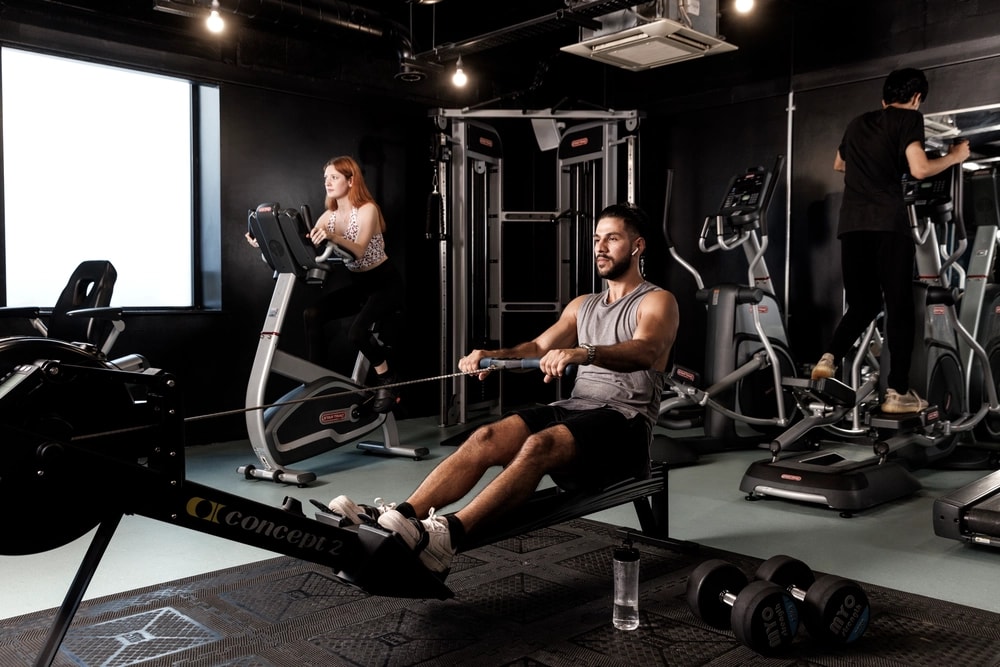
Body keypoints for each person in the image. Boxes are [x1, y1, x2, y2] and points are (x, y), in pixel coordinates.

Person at [328, 203, 679, 573]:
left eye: (612, 238)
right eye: (596, 239)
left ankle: (447, 536)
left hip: (625, 423)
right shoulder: (583, 306)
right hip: (579, 409)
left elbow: (646, 350)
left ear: (638, 245)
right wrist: (492, 357)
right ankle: (400, 519)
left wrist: (583, 352)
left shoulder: (657, 300)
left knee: (538, 443)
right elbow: (538, 347)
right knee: (486, 436)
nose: (600, 247)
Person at [810, 67, 970, 414]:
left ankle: (829, 357)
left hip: (852, 226)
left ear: (883, 99)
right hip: (887, 224)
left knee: (864, 305)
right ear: (915, 99)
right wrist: (957, 156)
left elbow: (839, 164)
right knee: (899, 308)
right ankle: (898, 392)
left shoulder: (857, 123)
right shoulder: (909, 119)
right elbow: (920, 170)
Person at [246, 155, 404, 413]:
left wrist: (331, 236)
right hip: (360, 286)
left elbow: (360, 250)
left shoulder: (367, 210)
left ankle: (388, 378)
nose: (328, 182)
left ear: (351, 180)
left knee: (356, 332)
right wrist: (263, 243)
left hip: (385, 285)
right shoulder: (328, 216)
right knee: (313, 314)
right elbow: (303, 248)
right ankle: (316, 382)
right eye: (326, 178)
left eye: (334, 177)